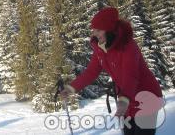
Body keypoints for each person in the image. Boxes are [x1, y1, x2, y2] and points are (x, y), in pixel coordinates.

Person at [60, 7, 163, 135]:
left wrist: (124, 100)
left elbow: (131, 75)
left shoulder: (128, 46)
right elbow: (91, 72)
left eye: (98, 30)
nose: (95, 34)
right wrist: (71, 88)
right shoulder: (101, 48)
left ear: (109, 29)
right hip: (126, 100)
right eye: (93, 30)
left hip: (147, 97)